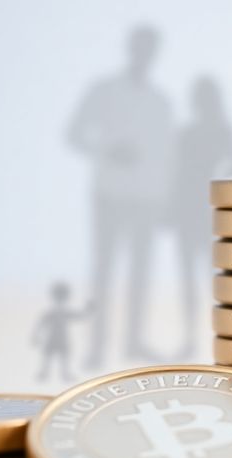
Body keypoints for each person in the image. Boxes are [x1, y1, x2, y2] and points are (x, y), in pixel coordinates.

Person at [66, 25, 172, 368]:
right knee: (104, 271)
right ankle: (97, 346)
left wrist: (166, 199)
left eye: (150, 48)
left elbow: (166, 153)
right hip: (109, 194)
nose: (145, 54)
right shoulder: (104, 91)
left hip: (146, 198)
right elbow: (74, 133)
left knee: (140, 271)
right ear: (131, 48)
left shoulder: (160, 102)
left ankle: (133, 342)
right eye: (141, 46)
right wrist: (108, 151)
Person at [169, 76, 232, 358]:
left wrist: (217, 180)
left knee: (209, 277)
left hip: (208, 210)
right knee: (194, 276)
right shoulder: (197, 132)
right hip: (191, 209)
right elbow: (174, 171)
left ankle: (203, 336)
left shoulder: (216, 131)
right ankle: (192, 337)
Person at [31, 282, 92, 382]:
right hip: (53, 338)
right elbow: (41, 323)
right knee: (48, 357)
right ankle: (44, 374)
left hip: (61, 339)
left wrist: (88, 310)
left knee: (63, 358)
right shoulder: (52, 312)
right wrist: (35, 336)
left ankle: (62, 374)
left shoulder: (63, 312)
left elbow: (80, 316)